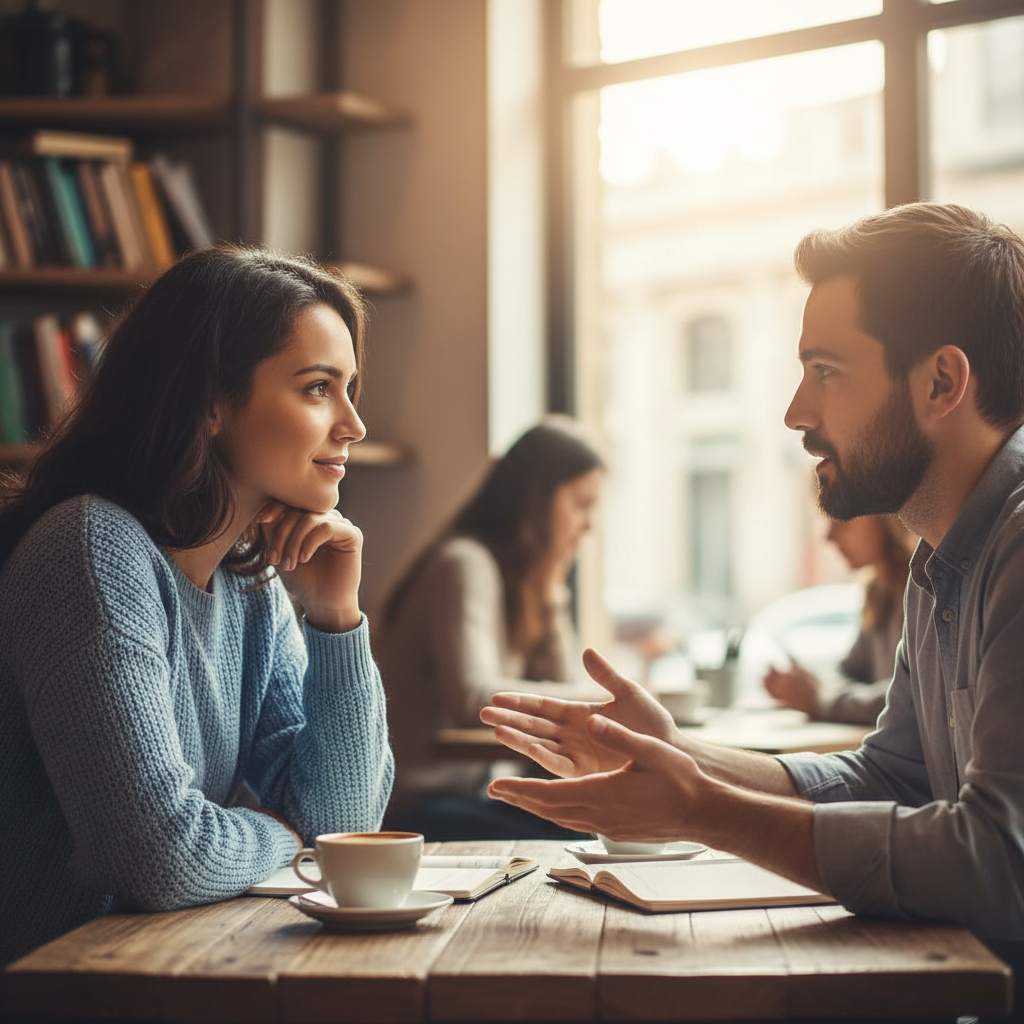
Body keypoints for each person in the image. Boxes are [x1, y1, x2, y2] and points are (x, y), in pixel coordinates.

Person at [480, 203, 1024, 1009]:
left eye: (827, 371)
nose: (796, 412)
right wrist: (680, 755)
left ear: (941, 381)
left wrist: (703, 811)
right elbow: (894, 777)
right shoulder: (944, 562)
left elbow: (999, 862)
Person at [0, 245, 393, 967]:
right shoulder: (92, 549)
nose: (353, 425)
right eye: (317, 388)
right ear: (211, 401)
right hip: (54, 988)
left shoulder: (252, 587)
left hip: (164, 969)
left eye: (351, 389)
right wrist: (279, 832)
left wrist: (337, 618)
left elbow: (343, 829)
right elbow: (160, 857)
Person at [379, 417, 604, 838]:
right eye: (581, 503)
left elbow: (559, 682)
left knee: (599, 819)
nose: (588, 524)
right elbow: (471, 697)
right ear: (538, 500)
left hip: (470, 795)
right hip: (419, 805)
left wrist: (552, 591)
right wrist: (602, 701)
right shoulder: (463, 563)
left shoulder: (517, 581)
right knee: (587, 833)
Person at [763, 514, 916, 725]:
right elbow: (845, 671)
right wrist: (813, 687)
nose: (827, 536)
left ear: (885, 516)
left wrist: (820, 699)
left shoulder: (922, 590)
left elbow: (910, 699)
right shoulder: (878, 593)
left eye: (840, 519)